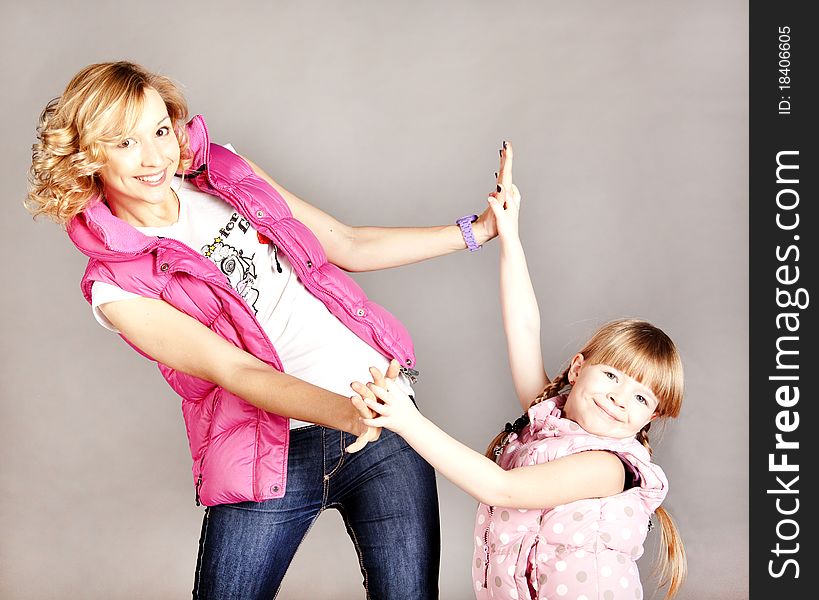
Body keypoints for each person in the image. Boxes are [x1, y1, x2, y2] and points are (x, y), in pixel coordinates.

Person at [26, 61, 508, 599]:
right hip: (270, 449)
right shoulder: (116, 286)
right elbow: (235, 369)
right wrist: (349, 412)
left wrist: (477, 231)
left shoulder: (225, 174)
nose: (154, 156)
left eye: (161, 130)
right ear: (87, 155)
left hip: (385, 412)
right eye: (124, 142)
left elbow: (345, 243)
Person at [352, 175, 688, 599]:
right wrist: (508, 236)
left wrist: (407, 420)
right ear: (577, 369)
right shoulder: (550, 416)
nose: (620, 398)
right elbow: (525, 328)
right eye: (612, 376)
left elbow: (501, 488)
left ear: (652, 415)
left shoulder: (609, 467)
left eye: (641, 396)